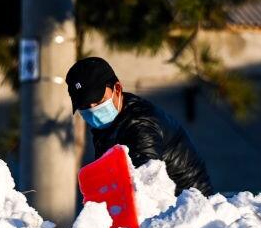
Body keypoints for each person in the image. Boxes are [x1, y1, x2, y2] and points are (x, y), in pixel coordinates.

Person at [65, 57, 214, 196]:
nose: (92, 109)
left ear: (117, 89)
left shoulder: (141, 125)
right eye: (84, 105)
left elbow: (141, 185)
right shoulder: (109, 125)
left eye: (98, 101)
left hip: (185, 207)